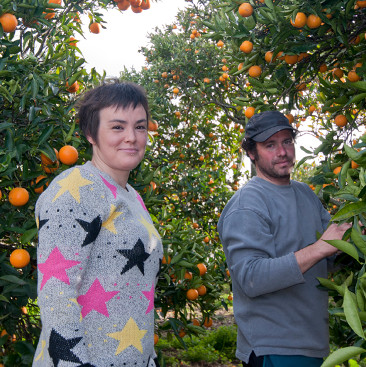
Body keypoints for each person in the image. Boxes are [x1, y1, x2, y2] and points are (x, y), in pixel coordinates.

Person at [33, 82, 163, 367]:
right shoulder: (74, 189)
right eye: (118, 127)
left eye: (140, 127)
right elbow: (56, 291)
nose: (131, 137)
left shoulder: (132, 196)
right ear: (91, 134)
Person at [217, 110, 351, 367]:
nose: (282, 152)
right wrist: (321, 247)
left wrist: (348, 244)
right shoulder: (248, 203)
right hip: (274, 348)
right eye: (270, 145)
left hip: (312, 344)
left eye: (287, 141)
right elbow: (252, 278)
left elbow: (328, 260)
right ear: (251, 152)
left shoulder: (305, 194)